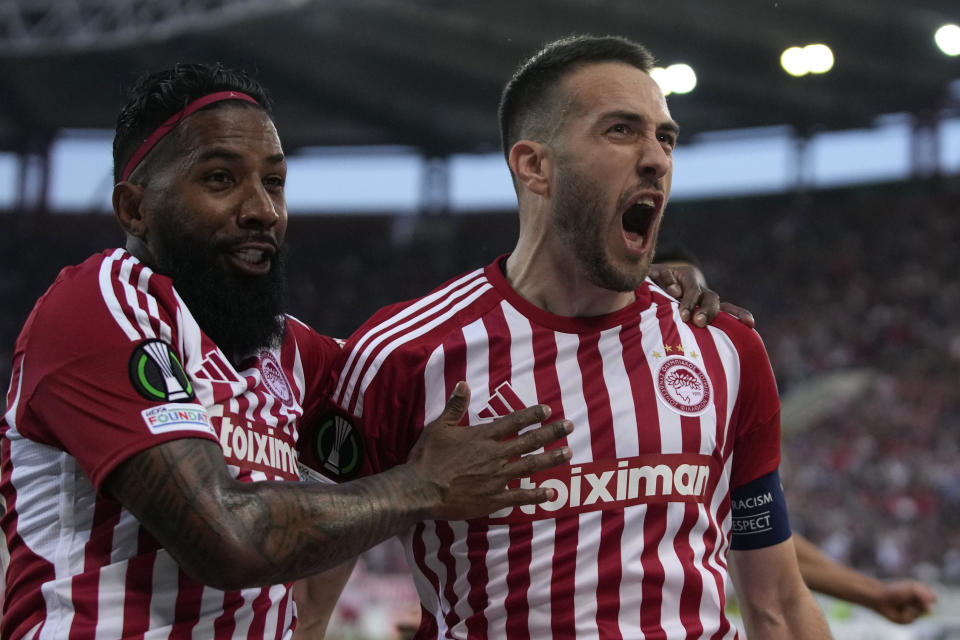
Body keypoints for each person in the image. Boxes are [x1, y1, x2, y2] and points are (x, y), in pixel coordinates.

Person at [0, 63, 583, 639]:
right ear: (133, 209)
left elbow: (422, 361)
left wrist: (622, 286)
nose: (263, 210)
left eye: (273, 182)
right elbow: (225, 539)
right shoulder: (98, 307)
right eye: (220, 179)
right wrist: (422, 486)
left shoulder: (287, 350)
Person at [300, 35, 833, 638]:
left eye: (665, 136)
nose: (657, 157)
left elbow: (779, 606)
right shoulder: (400, 356)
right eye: (622, 131)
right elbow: (303, 609)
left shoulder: (723, 348)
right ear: (535, 166)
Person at [655, 246, 938, 625]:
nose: (688, 309)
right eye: (668, 293)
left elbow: (762, 541)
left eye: (699, 298)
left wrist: (874, 593)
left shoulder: (719, 403)